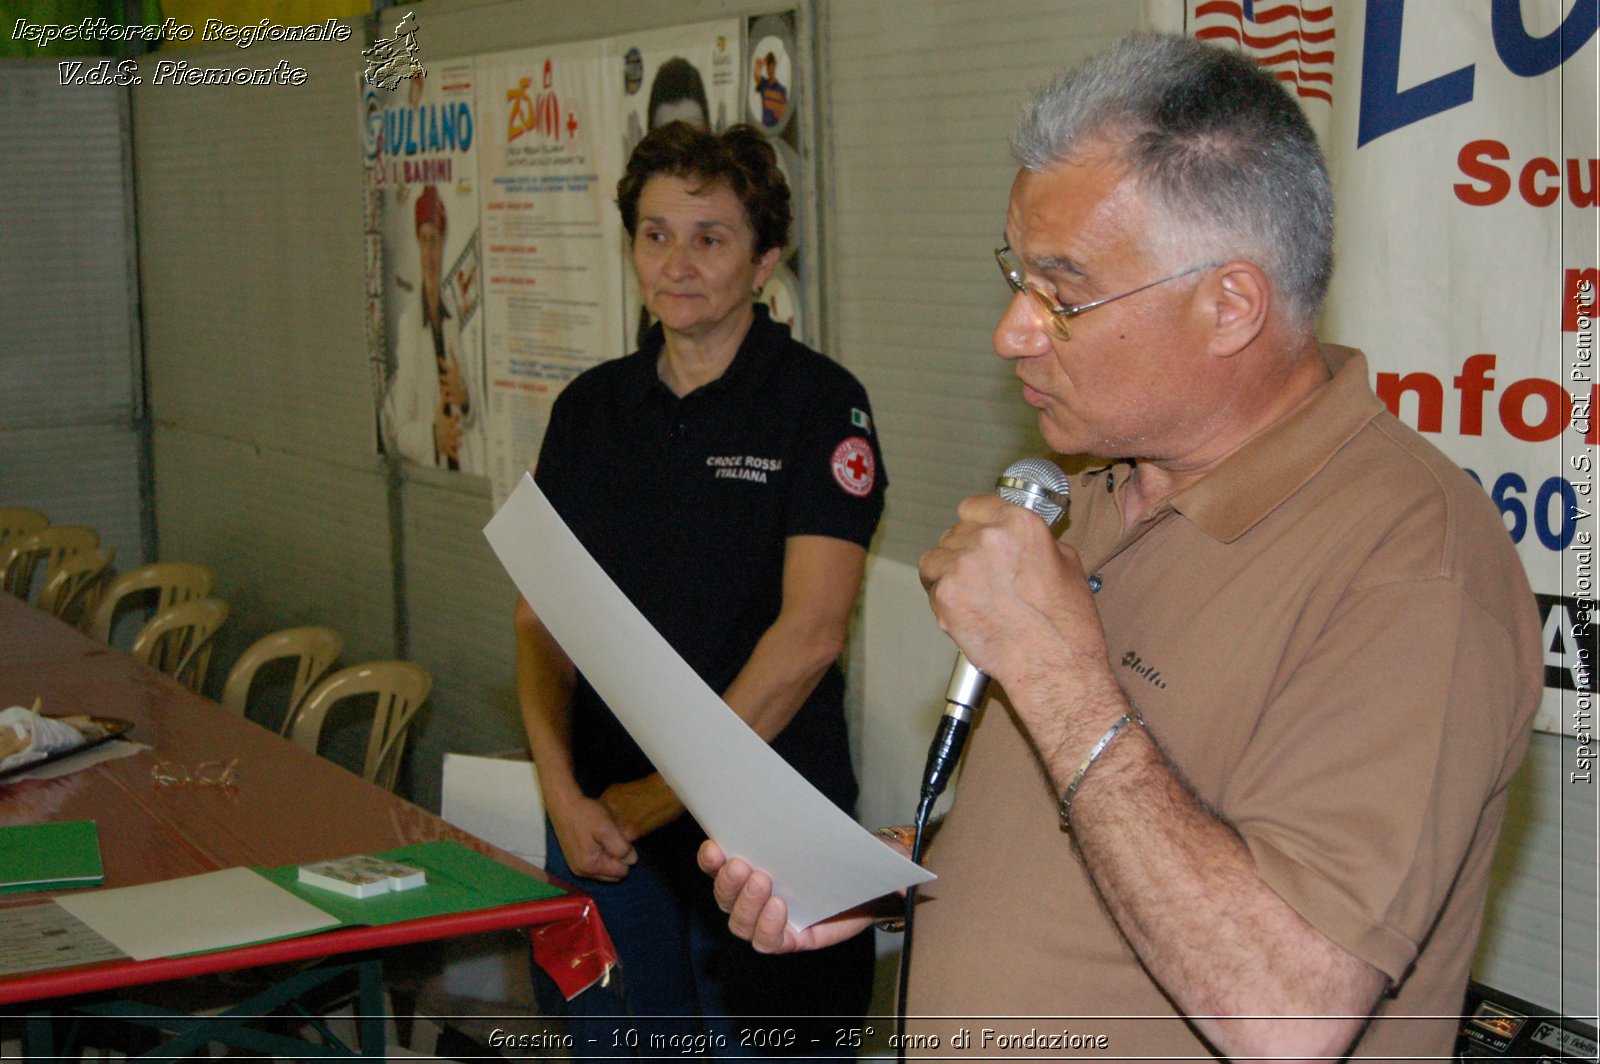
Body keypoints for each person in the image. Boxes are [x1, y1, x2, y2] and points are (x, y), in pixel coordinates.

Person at [702, 33, 1543, 1060]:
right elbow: (1087, 842)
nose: (1012, 329)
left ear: (1229, 304)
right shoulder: (1096, 489)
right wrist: (878, 876)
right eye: (1015, 272)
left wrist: (1060, 677)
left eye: (1061, 291)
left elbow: (1290, 1010)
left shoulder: (1416, 562)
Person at [516, 121, 884, 1059]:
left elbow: (810, 636)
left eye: (711, 237)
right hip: (604, 836)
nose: (677, 263)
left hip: (759, 846)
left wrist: (654, 796)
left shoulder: (818, 404)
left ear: (765, 261)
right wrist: (561, 792)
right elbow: (540, 621)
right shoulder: (590, 412)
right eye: (654, 233)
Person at [383, 184, 485, 474]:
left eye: (435, 240)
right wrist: (432, 436)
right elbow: (399, 431)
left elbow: (472, 407)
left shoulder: (452, 317)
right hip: (433, 473)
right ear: (417, 243)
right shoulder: (410, 325)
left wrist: (465, 399)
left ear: (443, 244)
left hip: (464, 468)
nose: (429, 251)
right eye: (424, 240)